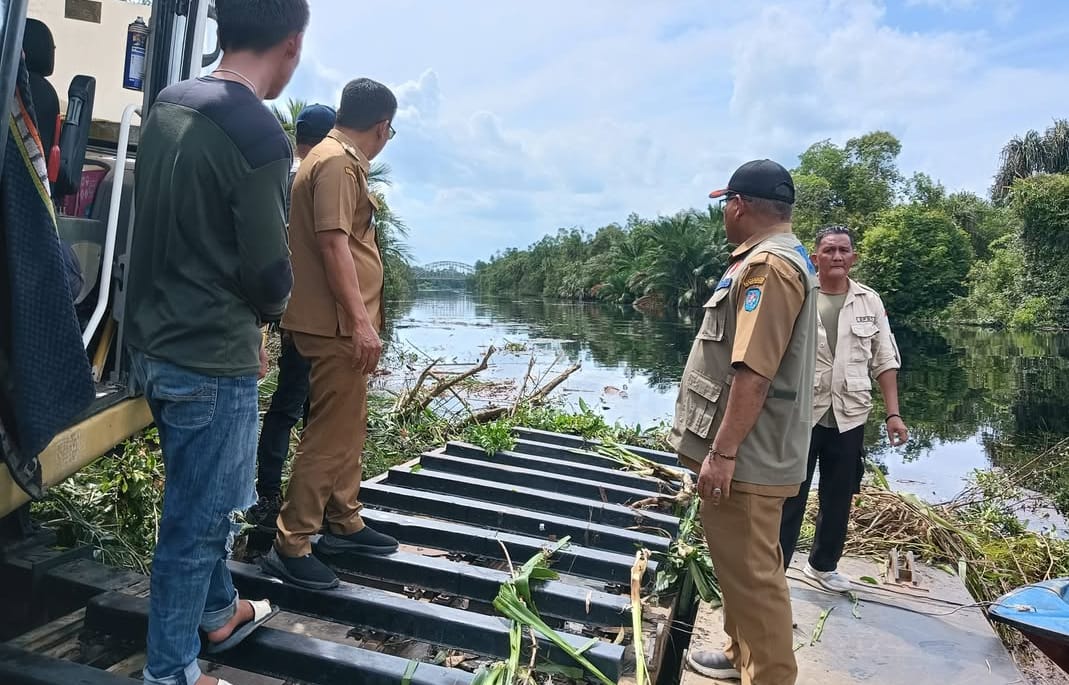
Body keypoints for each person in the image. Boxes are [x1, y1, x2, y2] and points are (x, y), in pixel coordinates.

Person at [123, 2, 309, 684]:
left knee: (197, 497)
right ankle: (170, 671)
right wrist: (269, 316)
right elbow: (268, 269)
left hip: (155, 339)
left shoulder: (172, 101)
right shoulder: (259, 134)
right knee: (196, 523)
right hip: (208, 353)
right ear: (291, 45)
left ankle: (219, 610)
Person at [673, 159, 818, 684]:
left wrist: (724, 451)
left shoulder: (768, 268)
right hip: (751, 453)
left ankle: (770, 675)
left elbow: (753, 371)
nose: (723, 215)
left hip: (749, 458)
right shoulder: (769, 259)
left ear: (737, 205)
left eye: (724, 205)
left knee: (756, 581)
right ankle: (741, 656)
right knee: (742, 566)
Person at [261, 78, 399, 590]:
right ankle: (292, 541)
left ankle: (343, 517)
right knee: (329, 432)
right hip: (338, 324)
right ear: (383, 127)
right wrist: (361, 323)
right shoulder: (339, 163)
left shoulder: (324, 155)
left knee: (349, 421)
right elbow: (334, 245)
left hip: (333, 321)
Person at [779, 225, 908, 591]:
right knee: (790, 494)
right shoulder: (799, 295)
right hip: (802, 413)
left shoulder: (869, 301)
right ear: (815, 257)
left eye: (844, 250)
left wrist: (893, 414)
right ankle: (776, 570)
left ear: (853, 257)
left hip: (849, 414)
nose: (837, 256)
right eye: (829, 250)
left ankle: (823, 565)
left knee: (839, 495)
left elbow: (885, 360)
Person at [246, 103, 337, 529]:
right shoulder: (320, 177)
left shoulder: (281, 177)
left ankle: (267, 495)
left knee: (285, 404)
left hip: (283, 310)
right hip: (316, 316)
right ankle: (305, 503)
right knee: (313, 411)